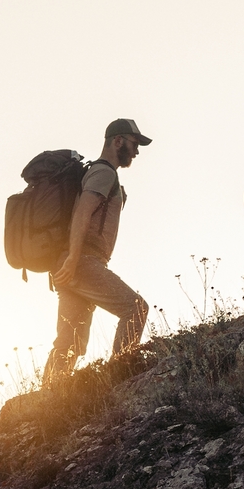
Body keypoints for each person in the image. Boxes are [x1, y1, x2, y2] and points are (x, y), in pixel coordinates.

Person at [46, 118, 153, 382]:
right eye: (134, 143)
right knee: (135, 308)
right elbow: (83, 212)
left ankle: (47, 398)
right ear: (117, 141)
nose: (136, 151)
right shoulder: (104, 172)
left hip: (71, 262)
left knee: (70, 340)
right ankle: (120, 377)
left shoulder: (98, 173)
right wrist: (72, 259)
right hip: (82, 260)